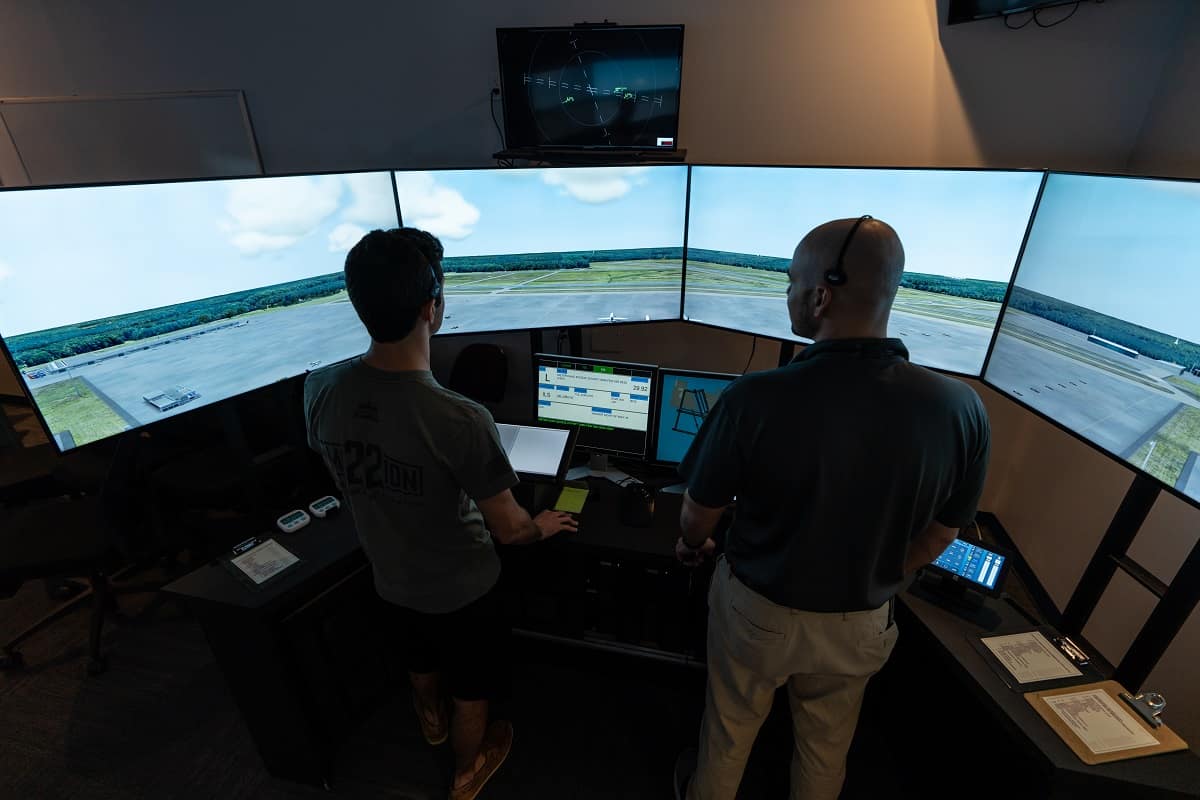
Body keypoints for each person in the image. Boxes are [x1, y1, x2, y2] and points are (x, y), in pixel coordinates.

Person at [673, 217, 991, 800]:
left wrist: (693, 545)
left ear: (821, 294)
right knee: (825, 751)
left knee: (727, 734)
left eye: (792, 280)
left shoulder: (753, 399)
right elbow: (945, 532)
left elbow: (697, 516)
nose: (788, 293)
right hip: (860, 623)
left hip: (757, 614)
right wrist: (885, 573)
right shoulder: (961, 408)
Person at [303, 227, 577, 800]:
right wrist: (542, 525)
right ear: (433, 307)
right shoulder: (459, 418)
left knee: (419, 656)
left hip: (390, 578)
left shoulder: (319, 389)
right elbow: (509, 529)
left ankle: (428, 722)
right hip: (464, 589)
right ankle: (466, 771)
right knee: (471, 688)